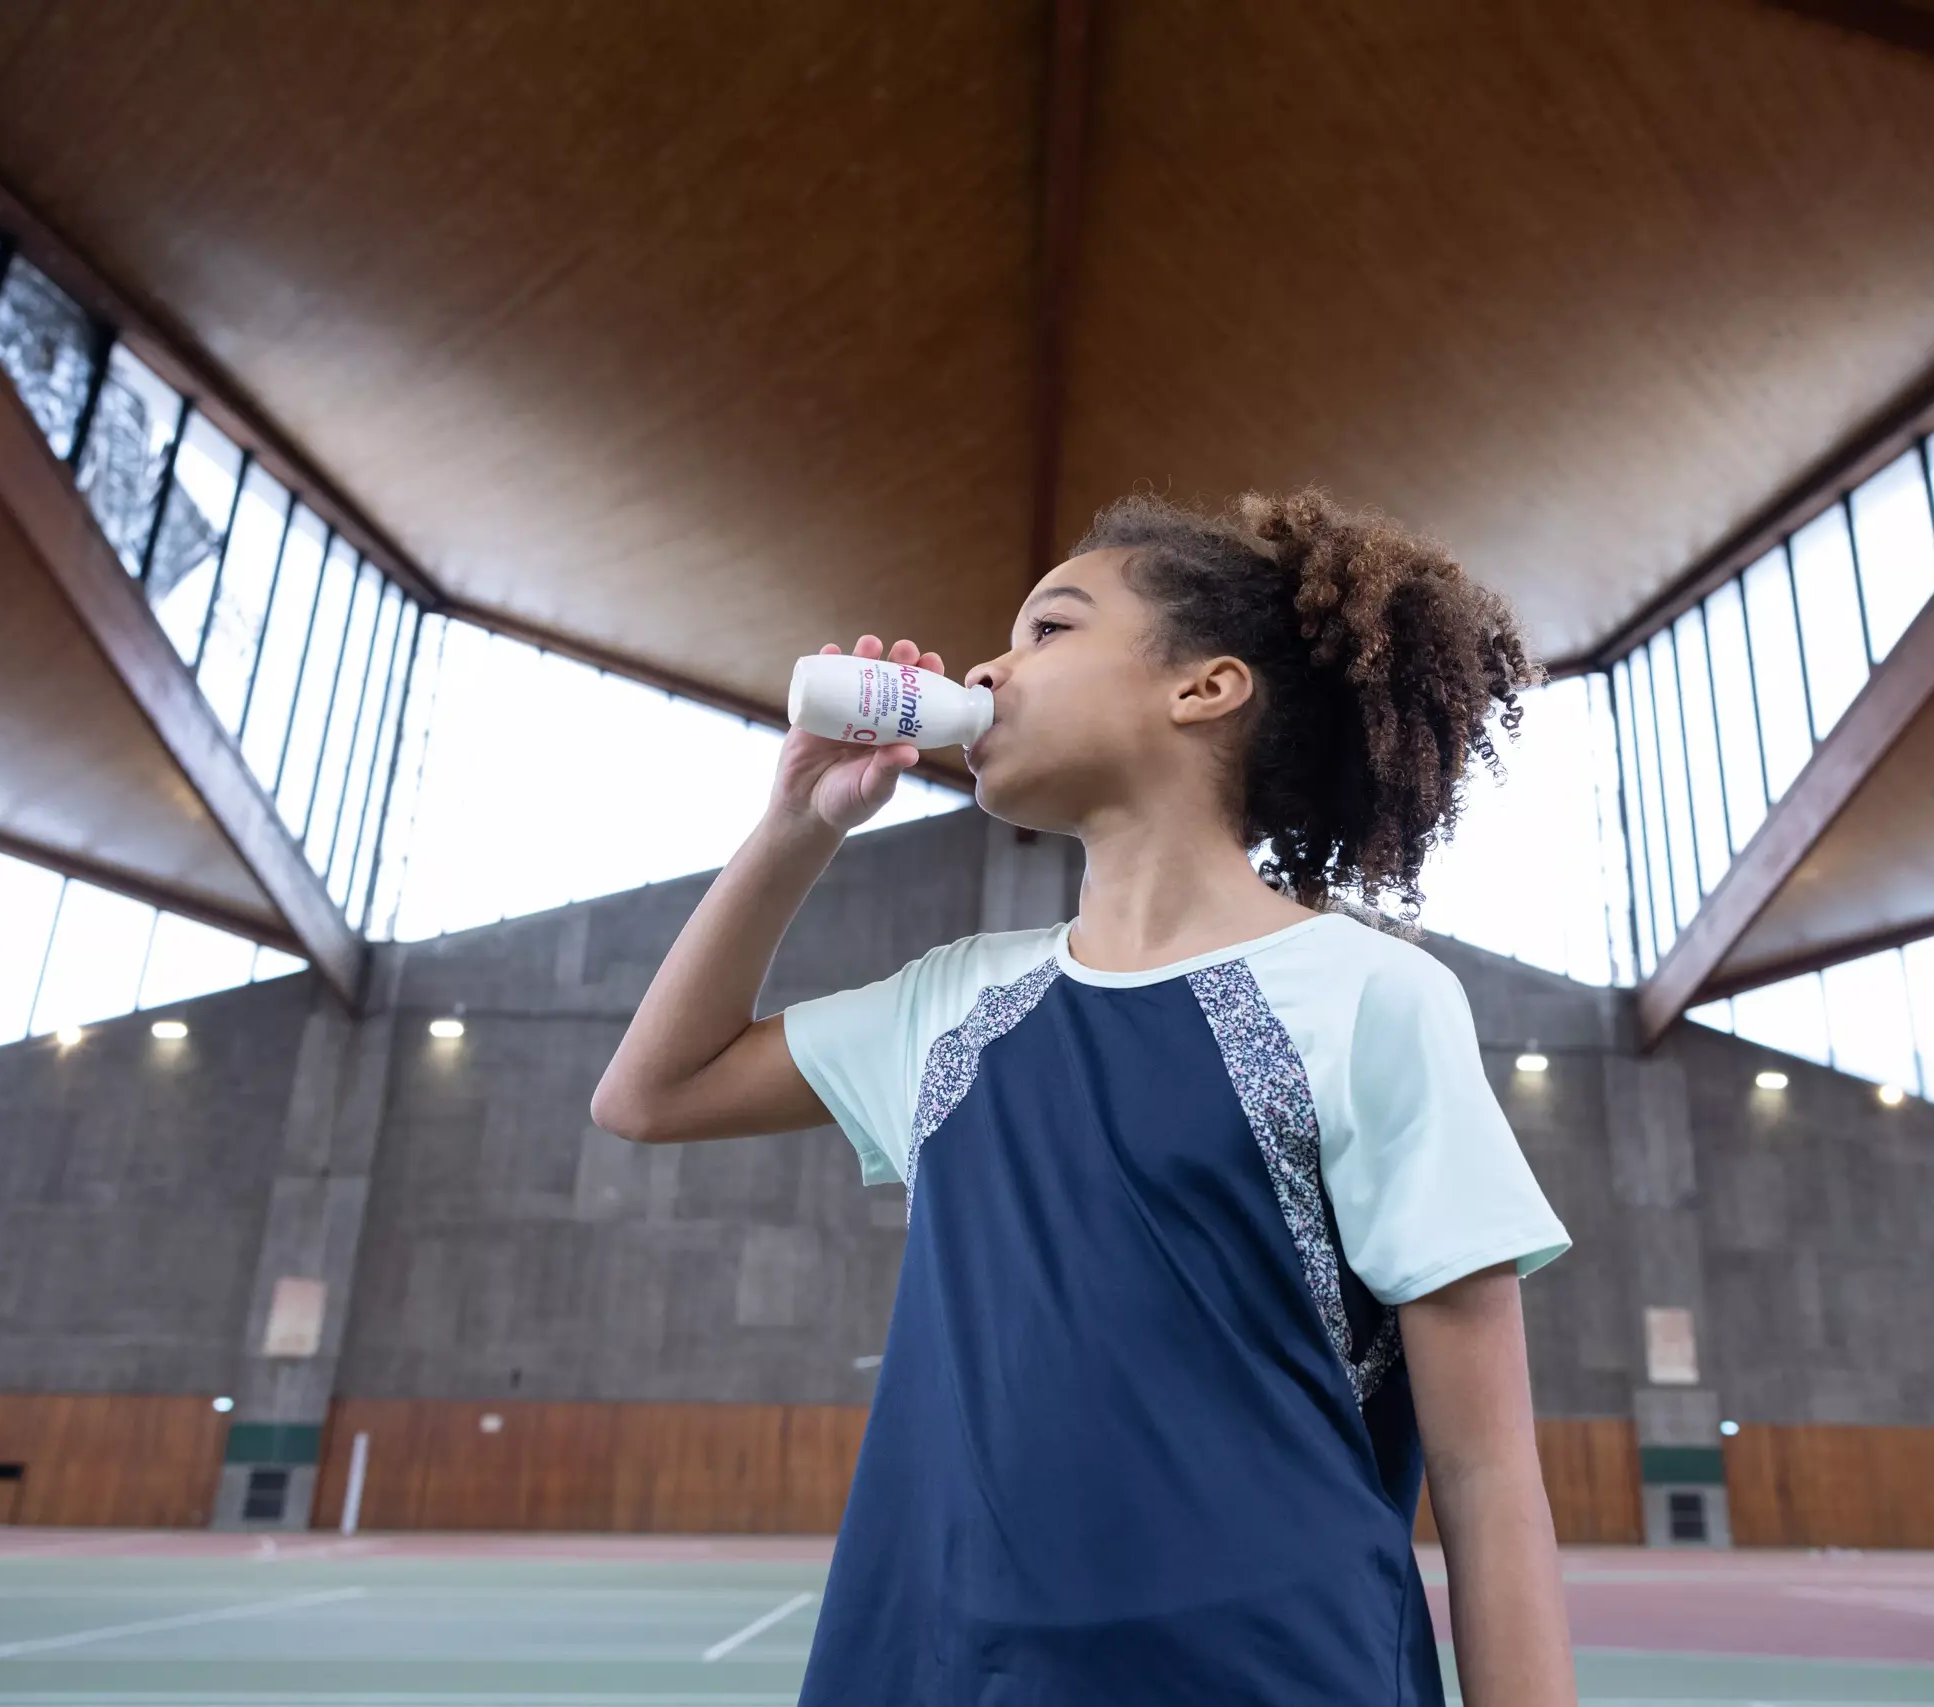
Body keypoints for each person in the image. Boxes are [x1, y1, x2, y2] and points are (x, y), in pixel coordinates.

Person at [593, 490, 1578, 1704]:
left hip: (1272, 1674)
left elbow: (1485, 1476)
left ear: (1204, 689)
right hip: (931, 1666)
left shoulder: (1368, 996)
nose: (990, 669)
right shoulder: (955, 1003)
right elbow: (651, 1092)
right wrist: (796, 819)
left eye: (1048, 630)